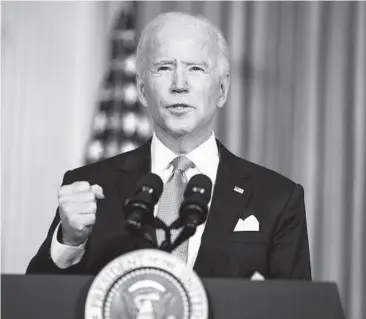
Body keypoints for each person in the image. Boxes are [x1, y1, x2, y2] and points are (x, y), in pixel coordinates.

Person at [27, 12, 311, 279]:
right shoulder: (90, 186)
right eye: (164, 67)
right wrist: (69, 241)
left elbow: (297, 309)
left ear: (222, 89)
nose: (179, 84)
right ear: (140, 89)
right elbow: (34, 303)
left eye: (196, 68)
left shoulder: (277, 198)